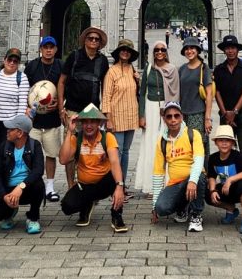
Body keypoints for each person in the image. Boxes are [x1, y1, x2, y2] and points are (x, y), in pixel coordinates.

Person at [58, 103, 127, 233]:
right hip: (85, 185)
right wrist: (69, 132)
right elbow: (63, 160)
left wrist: (119, 186)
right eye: (85, 122)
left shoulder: (108, 137)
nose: (89, 126)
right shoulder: (76, 138)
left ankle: (117, 215)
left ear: (99, 123)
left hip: (105, 183)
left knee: (117, 177)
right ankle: (87, 204)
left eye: (93, 122)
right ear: (81, 124)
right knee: (67, 207)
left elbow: (115, 162)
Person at [57, 27, 109, 189]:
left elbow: (104, 87)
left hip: (92, 112)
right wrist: (61, 107)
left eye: (97, 39)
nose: (93, 41)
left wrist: (105, 112)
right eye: (90, 38)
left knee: (91, 149)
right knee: (71, 148)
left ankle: (87, 181)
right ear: (85, 40)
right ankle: (71, 185)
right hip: (73, 109)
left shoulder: (103, 61)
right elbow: (62, 82)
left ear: (100, 43)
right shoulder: (74, 56)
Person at [151, 101, 206, 233]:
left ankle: (196, 215)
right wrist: (154, 206)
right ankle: (182, 209)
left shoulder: (193, 134)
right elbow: (158, 172)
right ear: (164, 119)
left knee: (199, 178)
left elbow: (199, 160)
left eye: (176, 116)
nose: (173, 120)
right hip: (175, 183)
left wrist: (192, 181)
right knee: (161, 208)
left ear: (182, 117)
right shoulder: (162, 141)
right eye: (169, 116)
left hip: (194, 179)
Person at [134, 39, 180, 196]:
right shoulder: (149, 69)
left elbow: (176, 92)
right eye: (156, 50)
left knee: (166, 144)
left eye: (162, 50)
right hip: (151, 109)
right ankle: (150, 185)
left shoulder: (172, 69)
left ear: (166, 52)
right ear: (153, 52)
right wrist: (141, 116)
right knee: (151, 146)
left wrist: (170, 110)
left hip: (167, 110)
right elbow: (142, 93)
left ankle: (167, 183)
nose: (159, 52)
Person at [0, 115, 45, 234]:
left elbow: (38, 170)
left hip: (26, 188)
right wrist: (4, 196)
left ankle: (33, 218)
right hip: (8, 189)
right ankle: (10, 212)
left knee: (39, 185)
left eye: (11, 129)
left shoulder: (35, 145)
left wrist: (21, 186)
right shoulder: (4, 146)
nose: (7, 131)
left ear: (20, 133)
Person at [25, 35, 62, 202]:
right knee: (31, 154)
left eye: (51, 47)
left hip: (52, 120)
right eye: (45, 47)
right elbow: (25, 88)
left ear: (55, 49)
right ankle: (33, 185)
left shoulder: (60, 66)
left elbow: (65, 87)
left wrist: (61, 103)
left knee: (51, 154)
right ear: (40, 49)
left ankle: (50, 186)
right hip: (34, 120)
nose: (48, 50)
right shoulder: (32, 66)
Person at [101, 39, 140, 190]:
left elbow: (138, 93)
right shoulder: (112, 71)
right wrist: (108, 119)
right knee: (117, 152)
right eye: (123, 50)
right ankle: (117, 184)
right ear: (118, 53)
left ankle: (122, 183)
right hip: (116, 117)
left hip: (131, 115)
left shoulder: (132, 70)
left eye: (128, 50)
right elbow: (106, 97)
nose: (125, 52)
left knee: (126, 151)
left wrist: (138, 81)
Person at [213, 35, 242, 168]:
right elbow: (216, 91)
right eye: (227, 48)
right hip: (225, 116)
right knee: (225, 152)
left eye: (233, 48)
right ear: (224, 50)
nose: (230, 51)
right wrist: (226, 113)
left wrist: (234, 112)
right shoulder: (219, 69)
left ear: (237, 50)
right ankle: (229, 181)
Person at [206, 124, 242, 234]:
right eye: (221, 140)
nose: (224, 143)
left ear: (232, 143)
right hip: (226, 189)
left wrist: (230, 180)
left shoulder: (237, 156)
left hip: (239, 188)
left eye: (227, 140)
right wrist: (213, 190)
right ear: (216, 142)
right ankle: (230, 209)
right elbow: (212, 176)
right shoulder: (213, 158)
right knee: (207, 193)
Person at [0, 48, 29, 164]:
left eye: (15, 61)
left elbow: (22, 104)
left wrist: (17, 127)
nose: (11, 63)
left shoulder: (21, 78)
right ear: (4, 60)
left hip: (10, 124)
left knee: (7, 156)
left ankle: (8, 181)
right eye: (9, 60)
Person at [178, 36, 213, 154]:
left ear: (197, 50)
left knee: (198, 145)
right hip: (183, 114)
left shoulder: (204, 68)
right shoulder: (182, 69)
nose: (189, 51)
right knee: (185, 146)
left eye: (192, 48)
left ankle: (202, 171)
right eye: (186, 49)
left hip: (197, 113)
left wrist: (207, 118)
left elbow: (209, 94)